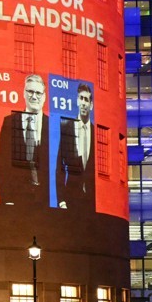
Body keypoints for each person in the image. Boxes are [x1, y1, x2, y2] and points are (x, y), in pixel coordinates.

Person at [0, 74, 50, 206]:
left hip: (46, 201)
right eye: (30, 91)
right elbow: (2, 164)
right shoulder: (10, 122)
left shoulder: (52, 125)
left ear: (44, 97)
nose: (34, 96)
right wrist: (6, 199)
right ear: (24, 94)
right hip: (17, 199)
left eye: (38, 93)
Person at [56, 82, 95, 211]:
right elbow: (59, 166)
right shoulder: (67, 127)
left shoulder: (96, 132)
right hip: (70, 198)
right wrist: (61, 201)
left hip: (91, 201)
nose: (83, 103)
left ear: (91, 105)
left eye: (87, 100)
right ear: (77, 101)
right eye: (81, 98)